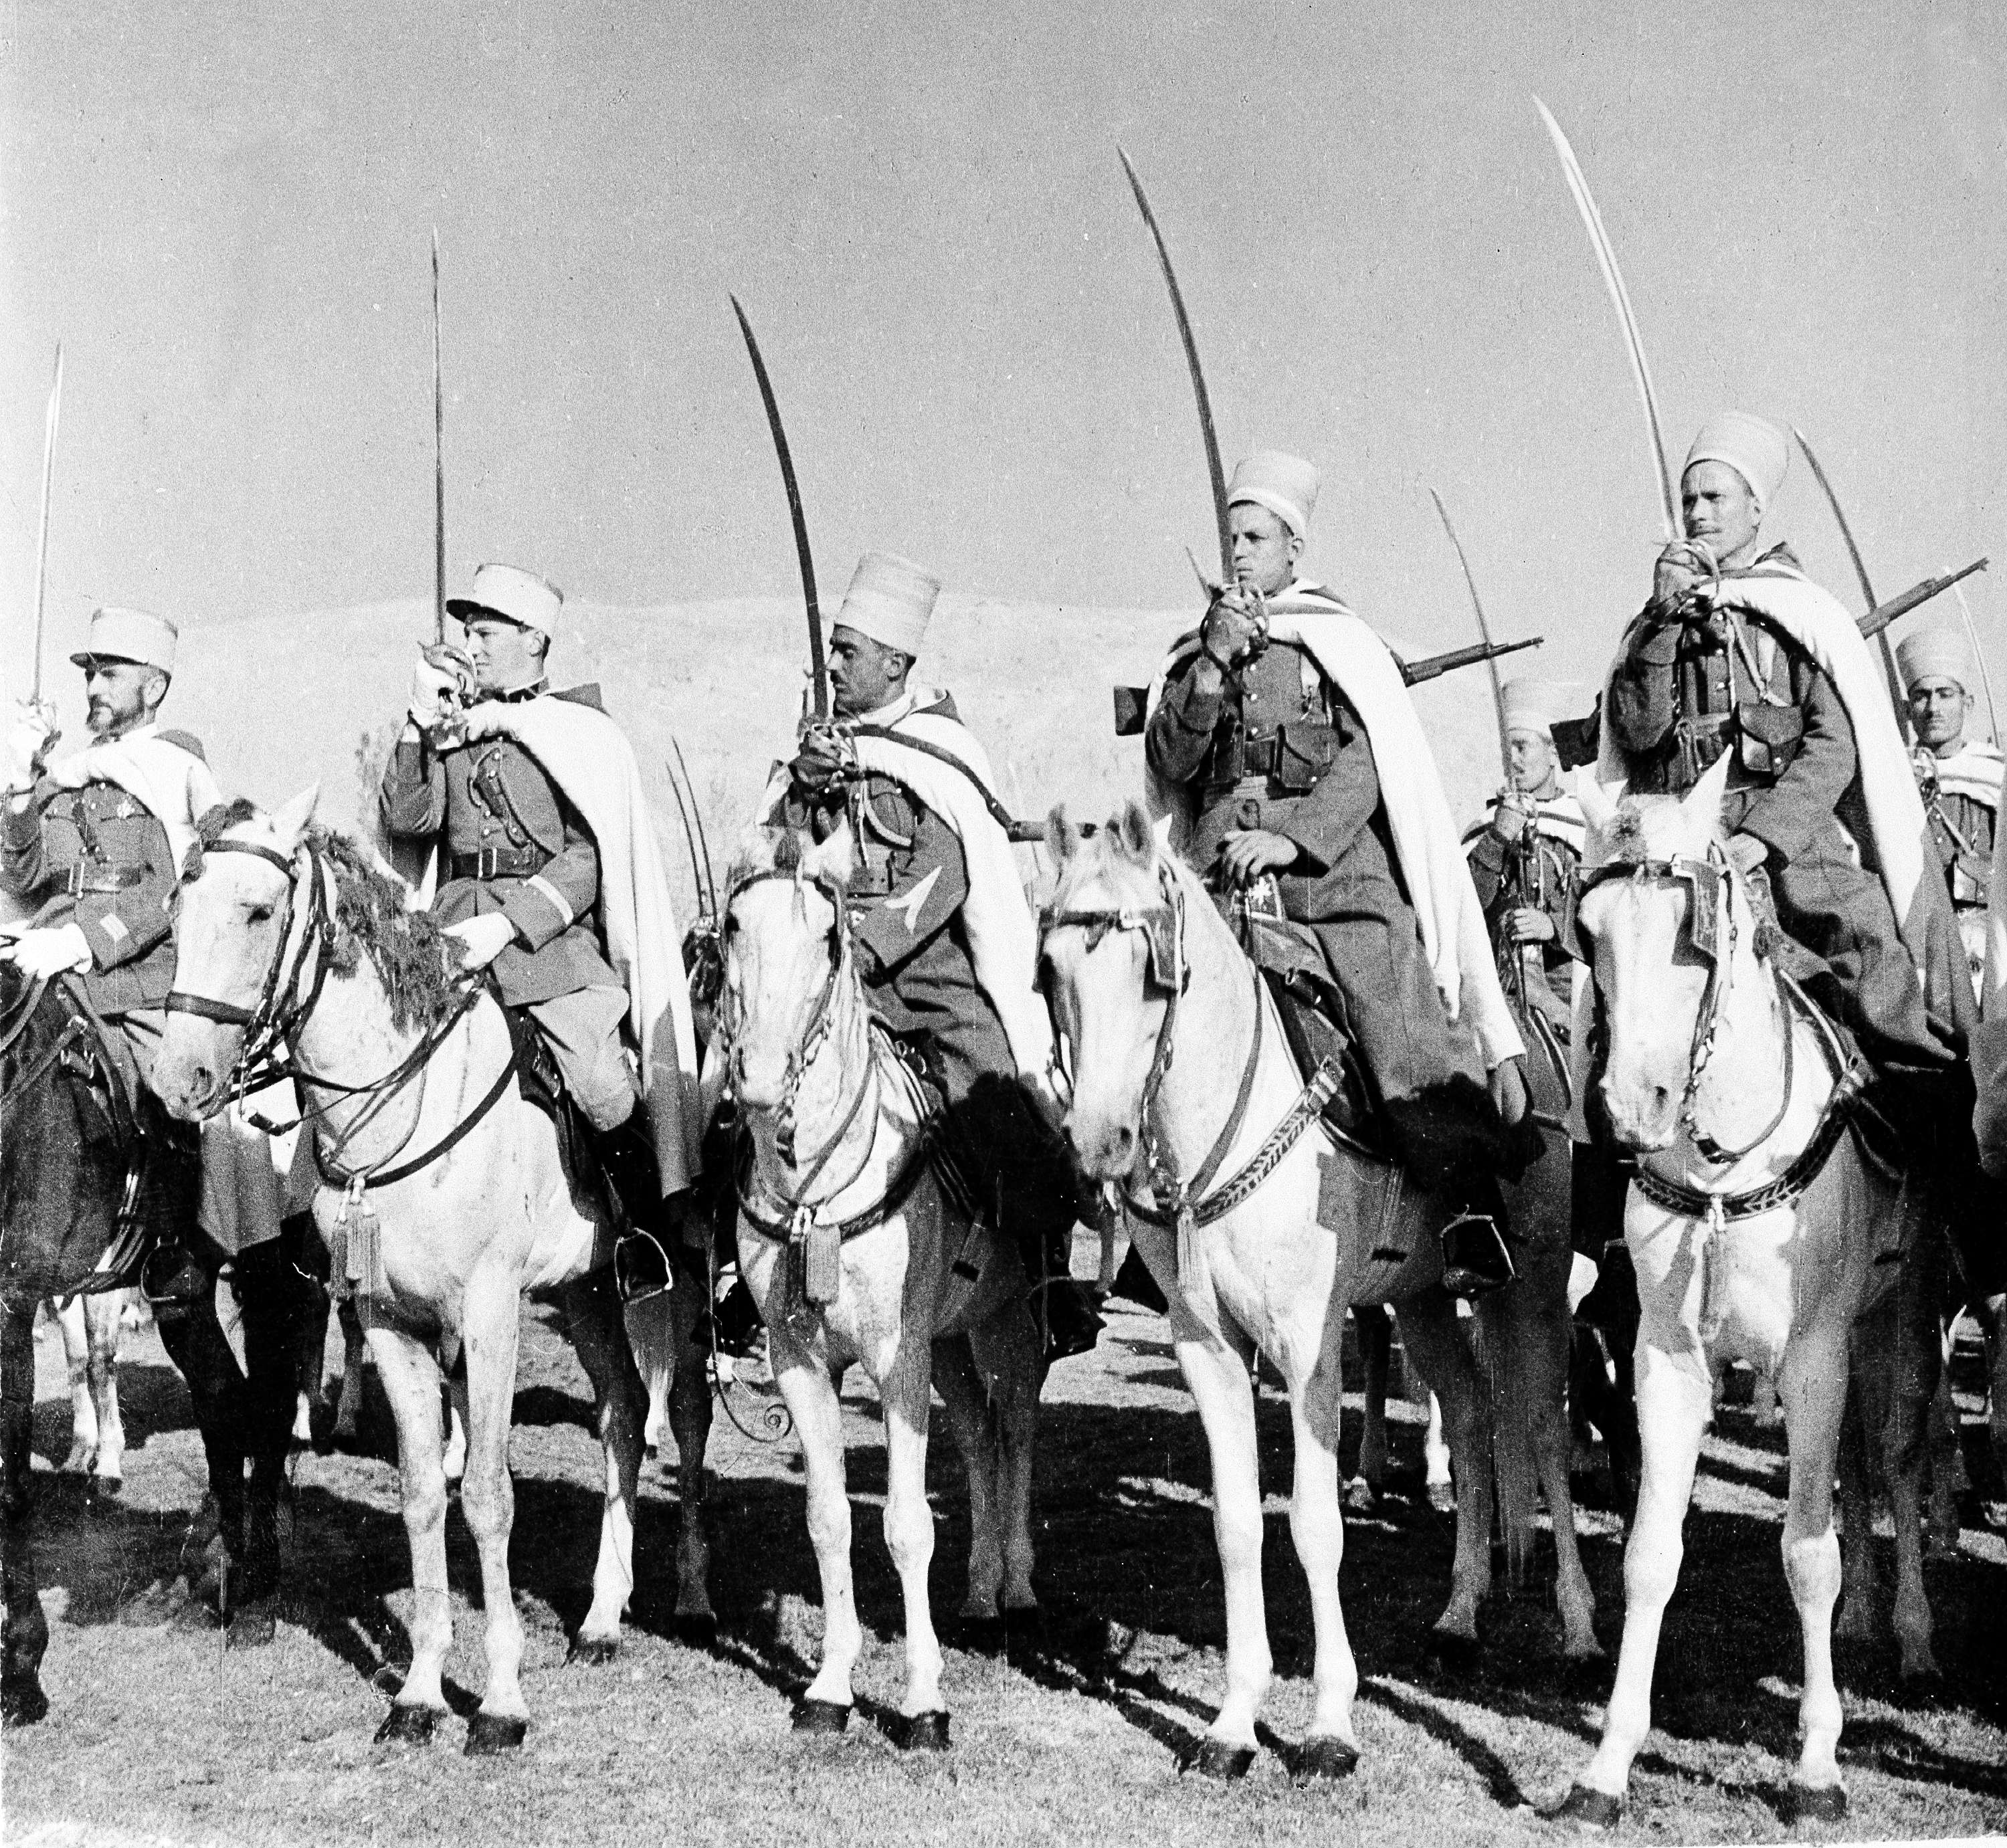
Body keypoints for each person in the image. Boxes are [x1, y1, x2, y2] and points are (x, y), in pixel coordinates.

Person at [1587, 411, 1998, 1294]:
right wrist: (1660, 622)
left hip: (1797, 860)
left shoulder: (1795, 614)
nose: (1697, 511)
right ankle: (1604, 1251)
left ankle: (1959, 1222)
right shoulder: (1656, 623)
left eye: (1714, 496)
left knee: (1893, 999)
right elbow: (1634, 730)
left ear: (1753, 507)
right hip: (1682, 865)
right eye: (1688, 497)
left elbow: (1833, 748)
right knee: (1612, 1013)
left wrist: (1757, 835)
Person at [1143, 451, 1531, 1295]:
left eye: (1256, 537)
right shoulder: (1195, 652)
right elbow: (1173, 756)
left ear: (1293, 546)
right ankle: (1152, 1225)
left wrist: (1293, 839)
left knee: (1395, 1017)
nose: (1239, 551)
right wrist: (1209, 665)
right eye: (1232, 537)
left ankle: (1468, 1208)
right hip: (1217, 887)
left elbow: (1367, 765)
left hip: (1335, 884)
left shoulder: (1335, 641)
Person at [772, 550, 1104, 1363]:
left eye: (849, 653)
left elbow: (942, 878)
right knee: (735, 1085)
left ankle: (1045, 1276)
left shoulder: (936, 752)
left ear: (896, 661)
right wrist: (803, 790)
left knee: (995, 1100)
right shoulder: (828, 747)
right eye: (833, 652)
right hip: (818, 974)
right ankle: (729, 1276)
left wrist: (858, 944)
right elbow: (784, 853)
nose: (835, 667)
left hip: (924, 981)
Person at [382, 563, 700, 1301]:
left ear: (535, 638)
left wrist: (514, 920)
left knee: (598, 1083)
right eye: (467, 632)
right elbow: (410, 822)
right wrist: (414, 724)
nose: (472, 645)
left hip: (551, 950)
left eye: (486, 632)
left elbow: (590, 854)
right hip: (453, 934)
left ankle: (645, 1237)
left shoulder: (577, 732)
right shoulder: (452, 727)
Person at [0, 605, 301, 1340]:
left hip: (136, 976)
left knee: (164, 1089)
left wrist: (84, 942)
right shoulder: (69, 776)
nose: (94, 687)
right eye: (90, 674)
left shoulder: (177, 773)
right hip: (51, 960)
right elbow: (25, 871)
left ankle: (172, 1247)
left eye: (110, 674)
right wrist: (16, 786)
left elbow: (172, 891)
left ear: (155, 687)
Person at [1464, 678, 1585, 1033]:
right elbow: (1464, 906)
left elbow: (1605, 918)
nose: (1512, 761)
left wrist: (1556, 928)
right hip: (1500, 987)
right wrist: (1499, 835)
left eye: (1522, 747)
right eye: (1507, 750)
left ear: (1552, 754)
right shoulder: (1488, 824)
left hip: (1571, 988)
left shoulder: (1583, 825)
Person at [1897, 625, 1999, 993]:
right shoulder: (1891, 778)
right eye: (1922, 697)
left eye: (1945, 694)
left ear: (1966, 703)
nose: (1934, 708)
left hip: (1988, 942)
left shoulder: (1994, 779)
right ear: (1908, 710)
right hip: (1915, 942)